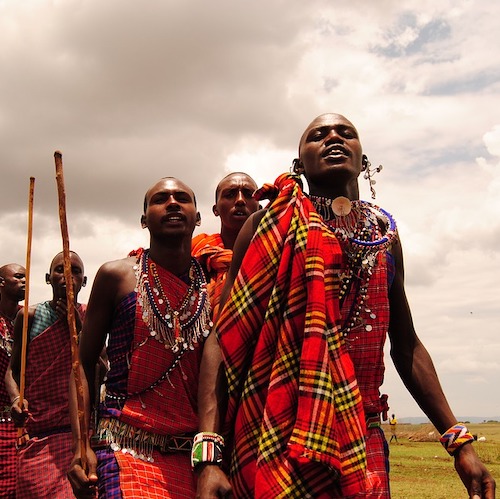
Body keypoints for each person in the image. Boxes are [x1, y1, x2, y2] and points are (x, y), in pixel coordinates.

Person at [195, 114, 496, 498]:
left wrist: (459, 442)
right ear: (299, 164)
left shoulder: (385, 237)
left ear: (363, 158)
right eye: (318, 135)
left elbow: (406, 345)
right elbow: (223, 340)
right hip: (274, 432)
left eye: (345, 133)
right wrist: (209, 455)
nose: (333, 138)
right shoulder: (266, 226)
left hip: (363, 436)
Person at [67, 177, 213, 498]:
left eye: (182, 198)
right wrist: (81, 444)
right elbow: (82, 363)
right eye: (161, 198)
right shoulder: (116, 277)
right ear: (144, 219)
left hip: (193, 457)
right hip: (125, 448)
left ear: (198, 217)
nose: (173, 203)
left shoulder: (214, 284)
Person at [5, 251, 87, 498]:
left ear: (84, 281)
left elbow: (101, 365)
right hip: (38, 434)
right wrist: (15, 400)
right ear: (47, 278)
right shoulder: (29, 316)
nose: (67, 277)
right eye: (60, 270)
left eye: (75, 271)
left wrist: (76, 326)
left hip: (79, 436)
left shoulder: (90, 313)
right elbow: (12, 371)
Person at [192, 172, 259, 313]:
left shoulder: (274, 255)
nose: (240, 200)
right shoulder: (196, 254)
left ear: (259, 209)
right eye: (230, 195)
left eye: (249, 195)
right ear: (215, 210)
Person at [0, 263, 26, 498]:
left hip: (22, 421)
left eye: (26, 276)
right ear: (1, 283)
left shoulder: (27, 319)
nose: (24, 281)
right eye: (18, 277)